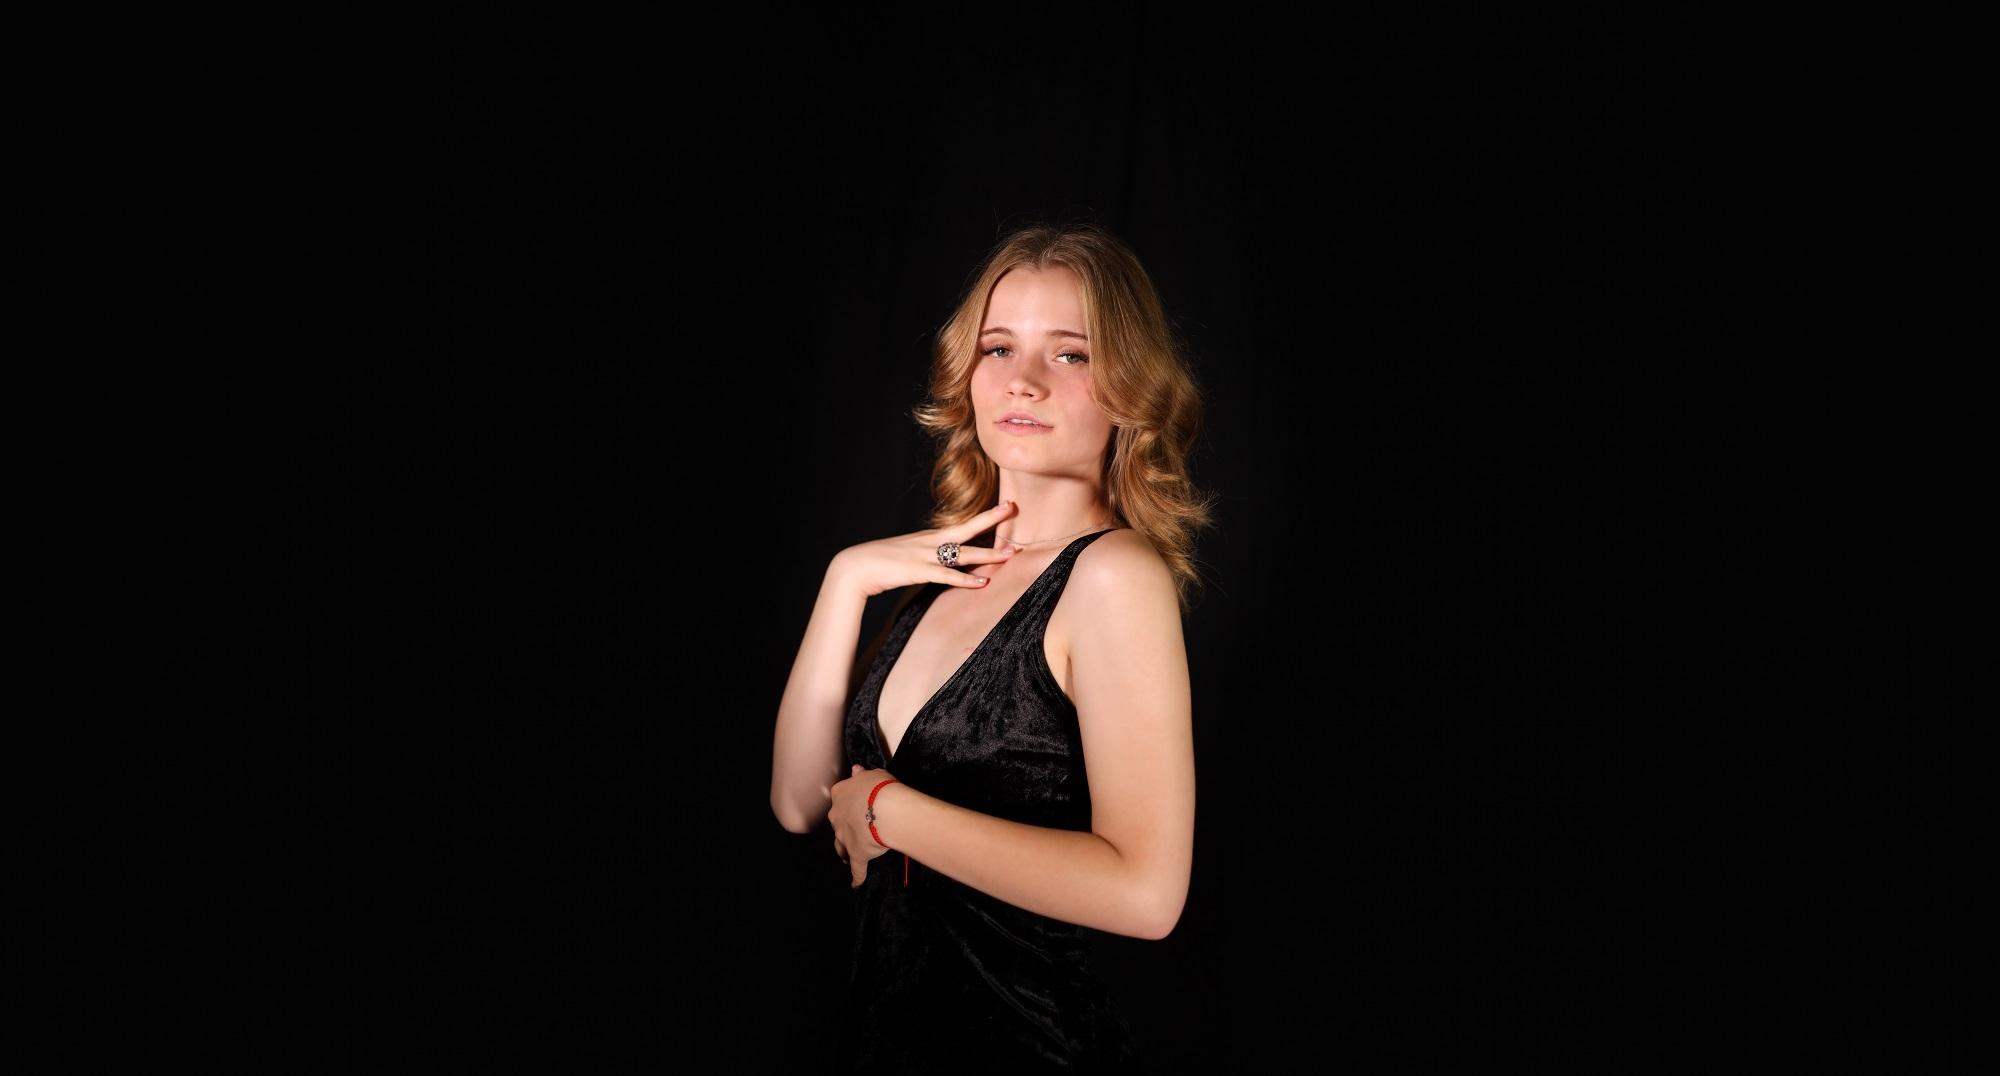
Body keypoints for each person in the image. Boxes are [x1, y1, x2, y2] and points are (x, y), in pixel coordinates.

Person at [769, 222, 1214, 1073]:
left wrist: (890, 811)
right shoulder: (945, 574)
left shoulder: (1113, 576)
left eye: (1071, 354)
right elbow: (802, 801)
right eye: (999, 347)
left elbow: (1147, 894)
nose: (1024, 380)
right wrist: (845, 580)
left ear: (1129, 386)